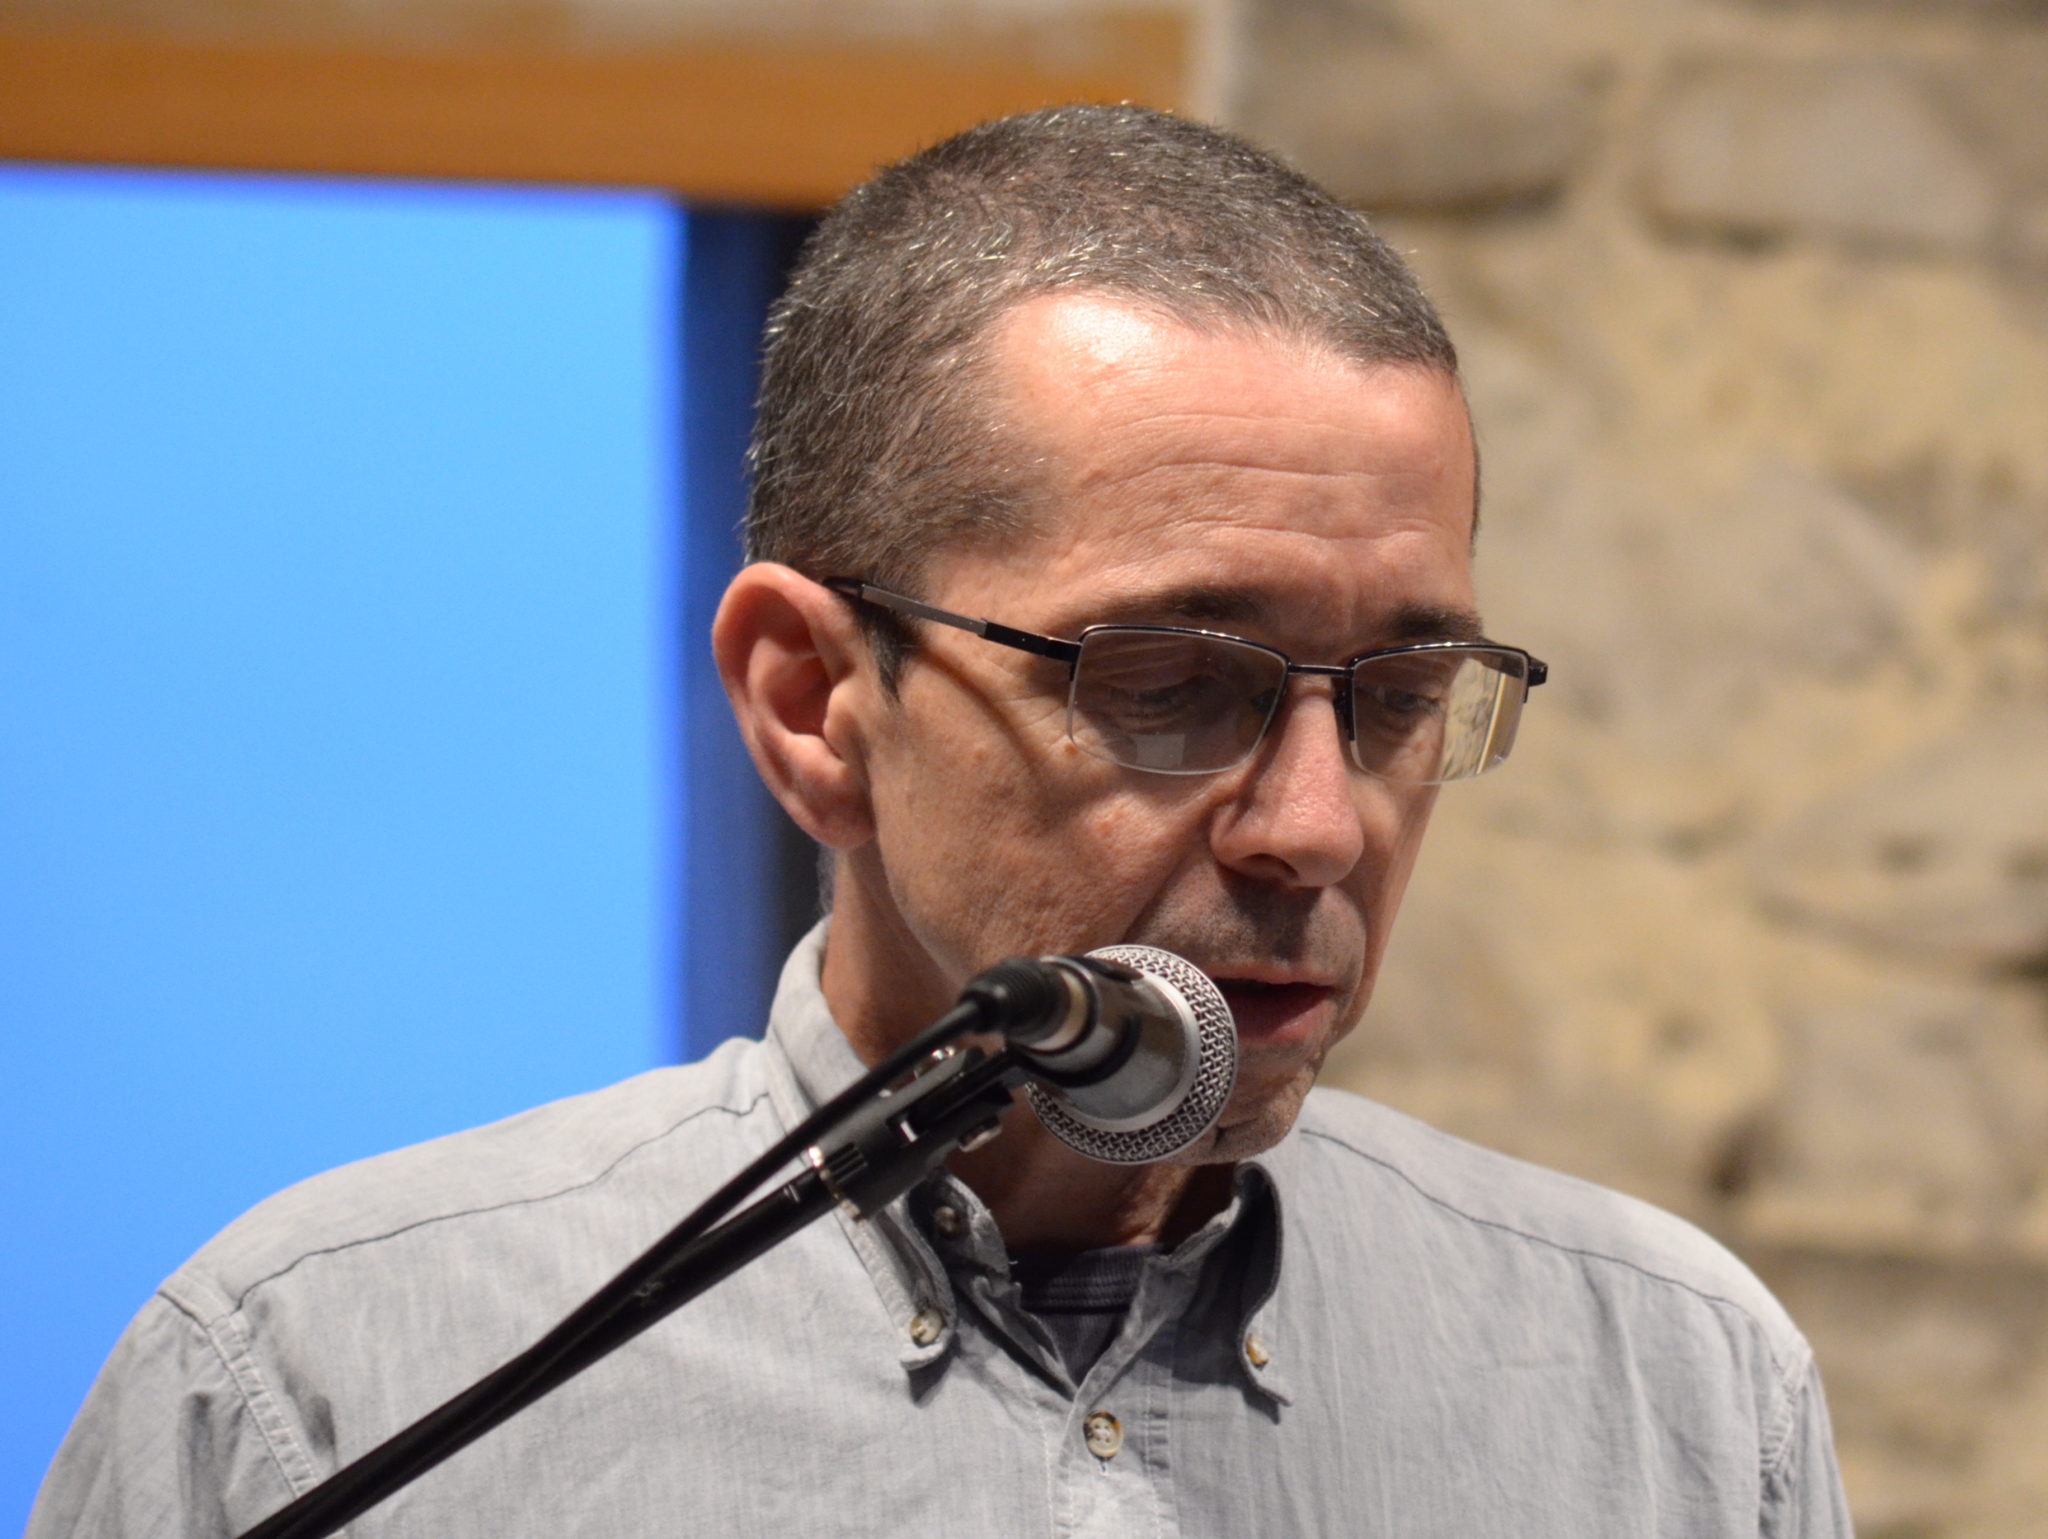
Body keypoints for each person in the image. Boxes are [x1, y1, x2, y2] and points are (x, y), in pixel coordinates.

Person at [32, 105, 1854, 1537]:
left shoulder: (1672, 1395)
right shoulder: (324, 1386)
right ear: (812, 707)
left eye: (1397, 695)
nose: (1316, 827)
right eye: (1171, 682)